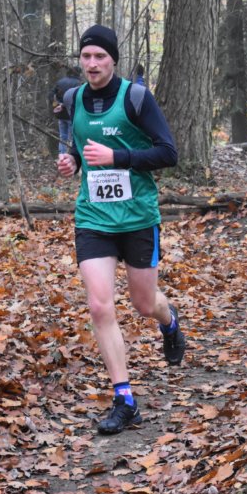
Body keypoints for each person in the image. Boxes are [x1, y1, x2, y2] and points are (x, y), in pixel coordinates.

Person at [56, 24, 185, 435]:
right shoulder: (73, 99)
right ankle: (125, 399)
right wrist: (72, 162)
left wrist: (118, 157)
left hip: (137, 218)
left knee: (145, 304)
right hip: (93, 218)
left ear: (113, 59)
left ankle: (169, 321)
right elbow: (81, 147)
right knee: (99, 306)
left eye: (100, 56)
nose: (92, 64)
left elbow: (168, 153)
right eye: (86, 56)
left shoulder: (136, 98)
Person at [53, 74, 82, 154]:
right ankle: (70, 155)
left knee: (62, 136)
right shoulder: (78, 83)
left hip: (61, 113)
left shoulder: (60, 82)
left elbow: (52, 95)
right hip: (71, 114)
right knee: (72, 137)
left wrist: (59, 104)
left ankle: (62, 155)